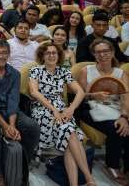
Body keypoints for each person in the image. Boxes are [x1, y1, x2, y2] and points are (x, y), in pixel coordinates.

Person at [29, 42, 96, 186]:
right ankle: (89, 178)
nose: (52, 55)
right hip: (42, 110)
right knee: (71, 133)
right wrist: (53, 109)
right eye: (48, 53)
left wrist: (71, 109)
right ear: (42, 55)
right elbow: (34, 92)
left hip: (62, 111)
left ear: (59, 55)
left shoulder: (64, 71)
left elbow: (80, 92)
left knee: (69, 138)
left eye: (55, 53)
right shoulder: (36, 70)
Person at [0, 40, 40, 186]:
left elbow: (13, 101)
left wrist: (11, 125)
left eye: (4, 53)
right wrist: (5, 127)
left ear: (9, 55)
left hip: (9, 110)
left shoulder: (15, 74)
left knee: (32, 127)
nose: (1, 56)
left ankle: (21, 166)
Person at [78, 39, 129, 184]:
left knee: (123, 124)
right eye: (98, 52)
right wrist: (93, 95)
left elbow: (126, 97)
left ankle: (127, 166)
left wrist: (124, 117)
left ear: (112, 52)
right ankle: (111, 165)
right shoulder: (85, 71)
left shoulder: (121, 73)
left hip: (116, 107)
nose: (102, 55)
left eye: (106, 51)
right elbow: (80, 95)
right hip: (92, 108)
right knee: (116, 128)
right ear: (94, 54)